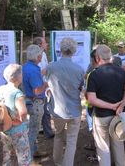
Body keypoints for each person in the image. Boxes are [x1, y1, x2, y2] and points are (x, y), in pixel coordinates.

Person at [86, 44, 125, 166]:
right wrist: (121, 105)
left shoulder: (94, 75)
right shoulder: (121, 71)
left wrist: (112, 106)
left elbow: (91, 99)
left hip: (102, 116)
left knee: (103, 149)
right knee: (119, 145)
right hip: (118, 115)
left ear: (97, 58)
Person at [46, 37, 84, 166]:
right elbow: (81, 88)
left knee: (58, 136)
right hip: (74, 110)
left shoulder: (51, 67)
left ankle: (58, 163)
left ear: (60, 50)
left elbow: (45, 81)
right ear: (73, 51)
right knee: (71, 141)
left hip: (58, 110)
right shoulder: (79, 69)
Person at [0, 64, 31, 165]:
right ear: (18, 77)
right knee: (23, 157)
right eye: (21, 74)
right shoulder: (17, 93)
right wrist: (21, 120)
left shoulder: (0, 89)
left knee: (8, 155)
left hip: (5, 128)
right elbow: (23, 113)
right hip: (18, 130)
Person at [22, 44, 48, 159]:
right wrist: (47, 84)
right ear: (38, 57)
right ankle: (29, 158)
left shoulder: (25, 67)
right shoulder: (33, 70)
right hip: (35, 103)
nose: (41, 57)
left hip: (27, 101)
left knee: (31, 128)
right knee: (33, 130)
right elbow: (37, 90)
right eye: (40, 55)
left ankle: (34, 150)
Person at [33, 36, 54, 139]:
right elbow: (39, 73)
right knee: (45, 109)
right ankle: (48, 132)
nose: (47, 44)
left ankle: (44, 128)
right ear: (40, 45)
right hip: (41, 86)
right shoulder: (36, 57)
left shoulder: (44, 54)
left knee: (45, 108)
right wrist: (49, 68)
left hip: (45, 85)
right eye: (45, 42)